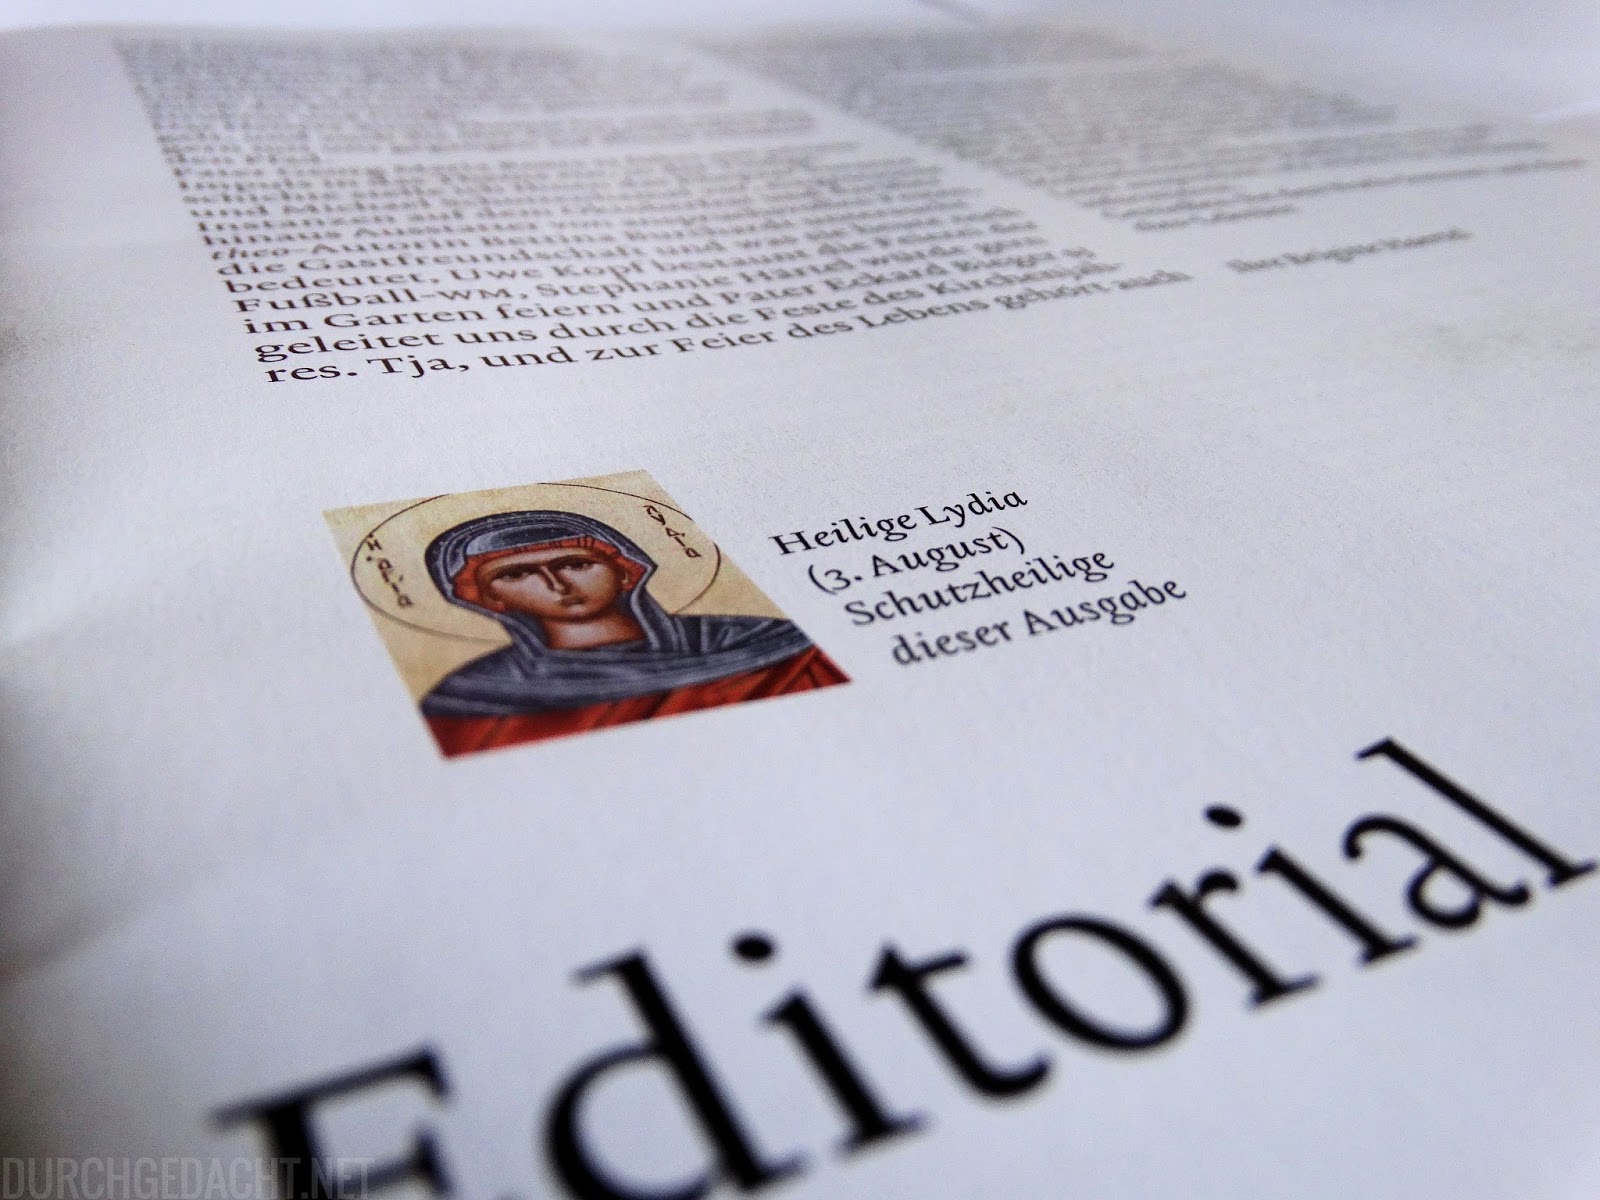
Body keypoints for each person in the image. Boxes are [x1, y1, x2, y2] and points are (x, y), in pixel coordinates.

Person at [419, 509, 847, 755]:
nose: (556, 584)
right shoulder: (477, 697)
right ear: (486, 598)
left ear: (626, 572)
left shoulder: (770, 647)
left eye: (576, 564)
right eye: (517, 575)